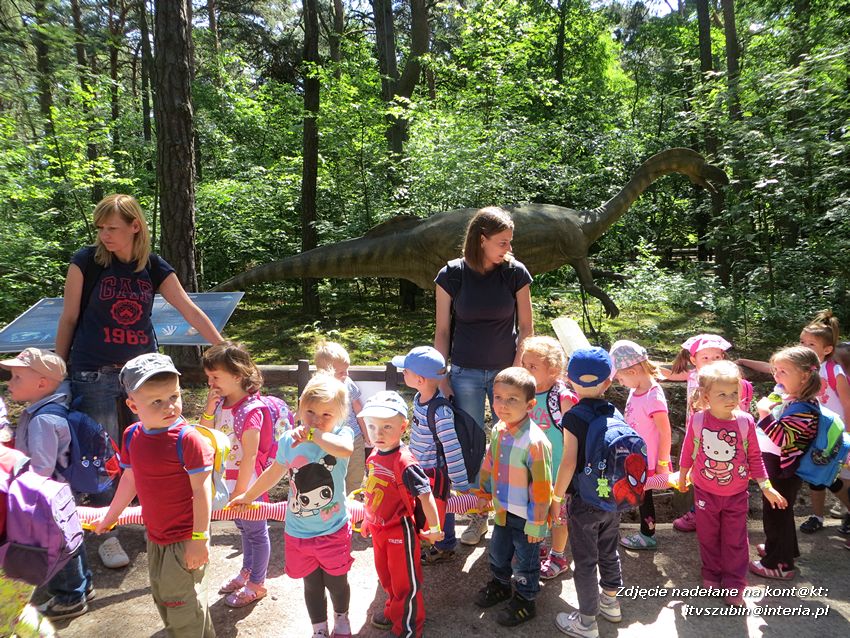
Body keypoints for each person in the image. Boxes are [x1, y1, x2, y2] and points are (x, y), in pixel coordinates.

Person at [55, 193, 224, 569]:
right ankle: (107, 532)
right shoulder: (86, 262)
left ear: (135, 226)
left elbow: (188, 309)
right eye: (99, 228)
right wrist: (58, 370)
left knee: (154, 447)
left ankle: (156, 520)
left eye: (112, 228)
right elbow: (68, 318)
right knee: (101, 455)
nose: (104, 235)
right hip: (92, 369)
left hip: (143, 375)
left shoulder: (153, 267)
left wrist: (224, 347)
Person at [92, 353, 216, 637]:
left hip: (184, 538)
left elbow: (202, 490)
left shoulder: (188, 440)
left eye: (173, 396)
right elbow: (130, 479)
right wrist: (110, 517)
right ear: (133, 405)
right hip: (156, 536)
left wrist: (199, 539)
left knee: (183, 606)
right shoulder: (132, 435)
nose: (169, 406)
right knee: (165, 598)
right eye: (156, 402)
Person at [434, 206, 534, 545]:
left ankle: (512, 513)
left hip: (507, 373)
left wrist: (519, 367)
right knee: (473, 445)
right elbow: (443, 330)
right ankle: (478, 516)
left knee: (511, 439)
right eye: (502, 242)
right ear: (482, 240)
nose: (508, 248)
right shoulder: (452, 275)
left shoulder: (515, 273)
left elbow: (527, 329)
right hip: (464, 372)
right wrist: (440, 374)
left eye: (509, 242)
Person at [228, 373, 354, 638]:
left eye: (326, 415)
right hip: (299, 531)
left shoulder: (341, 435)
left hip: (333, 528)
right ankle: (318, 628)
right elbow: (274, 472)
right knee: (311, 583)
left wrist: (316, 435)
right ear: (299, 407)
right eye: (310, 412)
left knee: (336, 581)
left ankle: (341, 617)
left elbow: (345, 450)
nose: (316, 421)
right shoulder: (288, 441)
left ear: (340, 415)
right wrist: (249, 496)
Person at [677, 361, 787, 605]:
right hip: (705, 492)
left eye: (734, 392)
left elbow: (755, 458)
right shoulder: (697, 421)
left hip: (737, 493)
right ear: (706, 396)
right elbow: (687, 452)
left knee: (735, 539)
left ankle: (735, 582)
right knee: (708, 536)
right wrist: (683, 475)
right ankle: (711, 573)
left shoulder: (745, 421)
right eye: (722, 394)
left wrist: (766, 487)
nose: (730, 398)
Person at [0, 348, 93, 621]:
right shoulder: (48, 409)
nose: (9, 382)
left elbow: (41, 468)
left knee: (53, 545)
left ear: (41, 384)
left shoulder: (43, 419)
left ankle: (69, 597)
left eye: (17, 377)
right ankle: (82, 585)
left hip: (45, 499)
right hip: (61, 493)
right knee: (70, 538)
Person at [357, 391, 444, 638]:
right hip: (378, 529)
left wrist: (435, 527)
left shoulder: (405, 461)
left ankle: (408, 627)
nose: (379, 433)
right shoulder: (374, 455)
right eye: (372, 426)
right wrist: (366, 517)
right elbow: (371, 490)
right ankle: (395, 610)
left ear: (403, 426)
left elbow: (425, 495)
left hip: (400, 530)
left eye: (387, 426)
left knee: (405, 581)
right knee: (386, 576)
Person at [552, 347, 623, 638]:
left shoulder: (574, 417)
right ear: (608, 382)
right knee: (609, 551)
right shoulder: (614, 410)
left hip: (584, 501)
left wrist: (556, 498)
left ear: (569, 380)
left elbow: (569, 461)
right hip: (611, 498)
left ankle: (586, 621)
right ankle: (611, 602)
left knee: (584, 561)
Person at [474, 367, 551, 627]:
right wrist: (484, 491)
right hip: (504, 510)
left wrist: (537, 523)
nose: (502, 405)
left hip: (527, 517)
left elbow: (542, 487)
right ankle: (500, 585)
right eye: (497, 397)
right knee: (498, 552)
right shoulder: (498, 429)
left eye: (512, 399)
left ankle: (526, 600)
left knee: (526, 562)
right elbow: (490, 461)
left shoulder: (535, 442)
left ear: (530, 404)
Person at [200, 341, 273, 608]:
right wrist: (209, 409)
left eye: (215, 377)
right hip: (227, 479)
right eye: (209, 377)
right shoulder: (220, 404)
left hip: (247, 482)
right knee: (243, 528)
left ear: (237, 375)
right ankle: (247, 571)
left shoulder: (251, 410)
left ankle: (257, 583)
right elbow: (203, 435)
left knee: (256, 530)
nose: (211, 383)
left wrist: (242, 493)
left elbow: (250, 455)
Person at [663, 333, 752, 533]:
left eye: (717, 357)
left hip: (724, 436)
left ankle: (716, 513)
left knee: (721, 471)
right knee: (700, 471)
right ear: (693, 360)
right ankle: (703, 512)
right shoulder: (694, 375)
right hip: (698, 434)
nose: (711, 362)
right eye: (705, 358)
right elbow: (668, 374)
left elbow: (740, 407)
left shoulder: (731, 381)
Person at [392, 346, 469, 564]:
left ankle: (445, 546)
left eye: (405, 371)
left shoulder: (440, 411)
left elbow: (452, 448)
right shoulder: (419, 397)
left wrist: (461, 483)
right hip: (421, 467)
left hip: (437, 471)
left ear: (420, 379)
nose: (402, 373)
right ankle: (431, 536)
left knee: (443, 505)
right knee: (428, 504)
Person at [750, 346, 822, 580]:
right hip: (779, 465)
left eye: (783, 371)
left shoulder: (804, 409)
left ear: (804, 376)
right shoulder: (793, 399)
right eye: (775, 370)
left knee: (776, 515)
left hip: (784, 470)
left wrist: (763, 413)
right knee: (781, 511)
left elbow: (781, 437)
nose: (776, 376)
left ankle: (779, 564)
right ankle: (784, 550)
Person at [519, 336, 577, 578]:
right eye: (524, 365)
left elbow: (575, 437)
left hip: (558, 473)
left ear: (553, 370)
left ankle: (559, 555)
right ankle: (541, 545)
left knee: (558, 517)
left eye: (533, 367)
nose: (527, 371)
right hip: (532, 470)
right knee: (536, 510)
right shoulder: (525, 393)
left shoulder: (562, 398)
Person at [608, 340, 671, 550]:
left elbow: (665, 431)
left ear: (633, 371)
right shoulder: (636, 391)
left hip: (650, 459)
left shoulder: (653, 395)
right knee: (640, 494)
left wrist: (662, 462)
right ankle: (643, 532)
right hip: (636, 458)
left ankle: (647, 535)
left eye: (620, 377)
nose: (620, 381)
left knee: (645, 497)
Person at [314, 342, 368, 496]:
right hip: (329, 439)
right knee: (330, 474)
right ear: (324, 373)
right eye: (341, 373)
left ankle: (353, 505)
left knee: (355, 474)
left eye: (347, 370)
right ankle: (332, 505)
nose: (347, 375)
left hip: (354, 438)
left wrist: (366, 434)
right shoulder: (319, 390)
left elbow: (359, 409)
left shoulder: (348, 384)